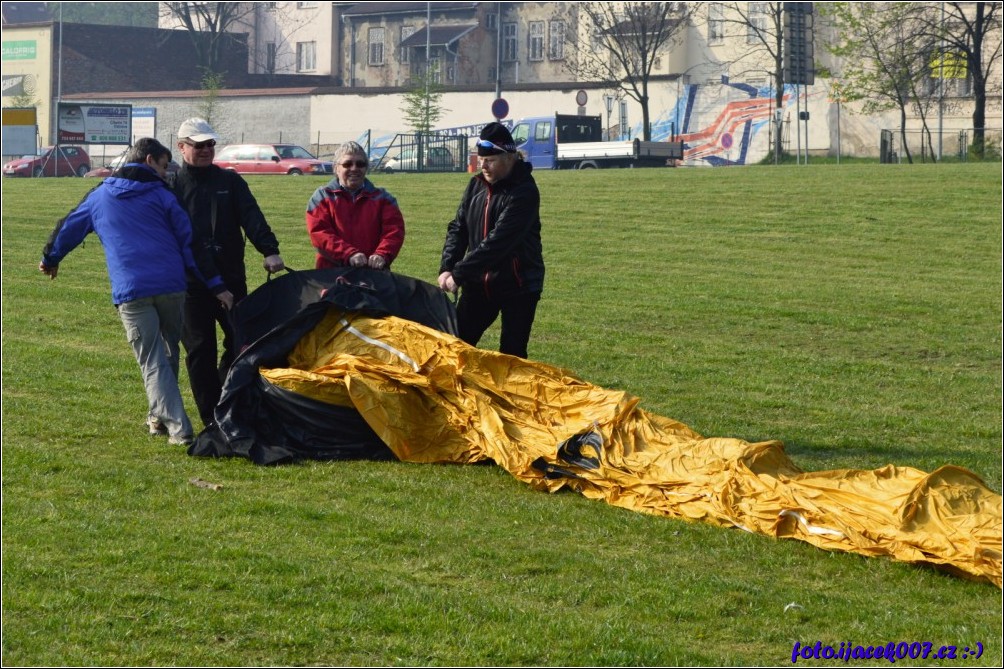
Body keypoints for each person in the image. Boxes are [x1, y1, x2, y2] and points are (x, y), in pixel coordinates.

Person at [39, 138, 231, 446]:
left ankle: (178, 428)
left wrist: (50, 259)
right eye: (165, 166)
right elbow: (190, 243)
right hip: (171, 287)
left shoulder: (100, 195)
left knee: (153, 359)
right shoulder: (164, 196)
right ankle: (157, 417)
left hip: (132, 291)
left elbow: (69, 227)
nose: (167, 173)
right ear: (149, 160)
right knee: (167, 353)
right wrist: (216, 285)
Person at [172, 117, 286, 427]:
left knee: (241, 342)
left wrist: (269, 250)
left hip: (231, 278)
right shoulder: (171, 186)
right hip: (190, 285)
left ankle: (227, 398)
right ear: (181, 147)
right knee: (199, 351)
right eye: (199, 145)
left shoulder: (231, 182)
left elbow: (252, 216)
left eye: (210, 144)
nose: (207, 150)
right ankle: (211, 417)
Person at [438, 122, 545, 358]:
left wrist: (459, 273)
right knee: (455, 344)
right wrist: (447, 266)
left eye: (490, 160)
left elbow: (498, 243)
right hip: (479, 283)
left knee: (512, 354)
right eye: (480, 158)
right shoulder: (476, 185)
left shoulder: (524, 192)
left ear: (509, 157)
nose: (483, 165)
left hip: (517, 285)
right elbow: (458, 227)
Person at [306, 141, 405, 271]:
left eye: (360, 164)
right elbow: (319, 233)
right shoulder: (323, 197)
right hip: (331, 275)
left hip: (373, 274)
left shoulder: (383, 198)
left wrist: (382, 254)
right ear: (336, 168)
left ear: (366, 168)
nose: (354, 168)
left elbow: (394, 231)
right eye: (347, 164)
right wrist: (348, 254)